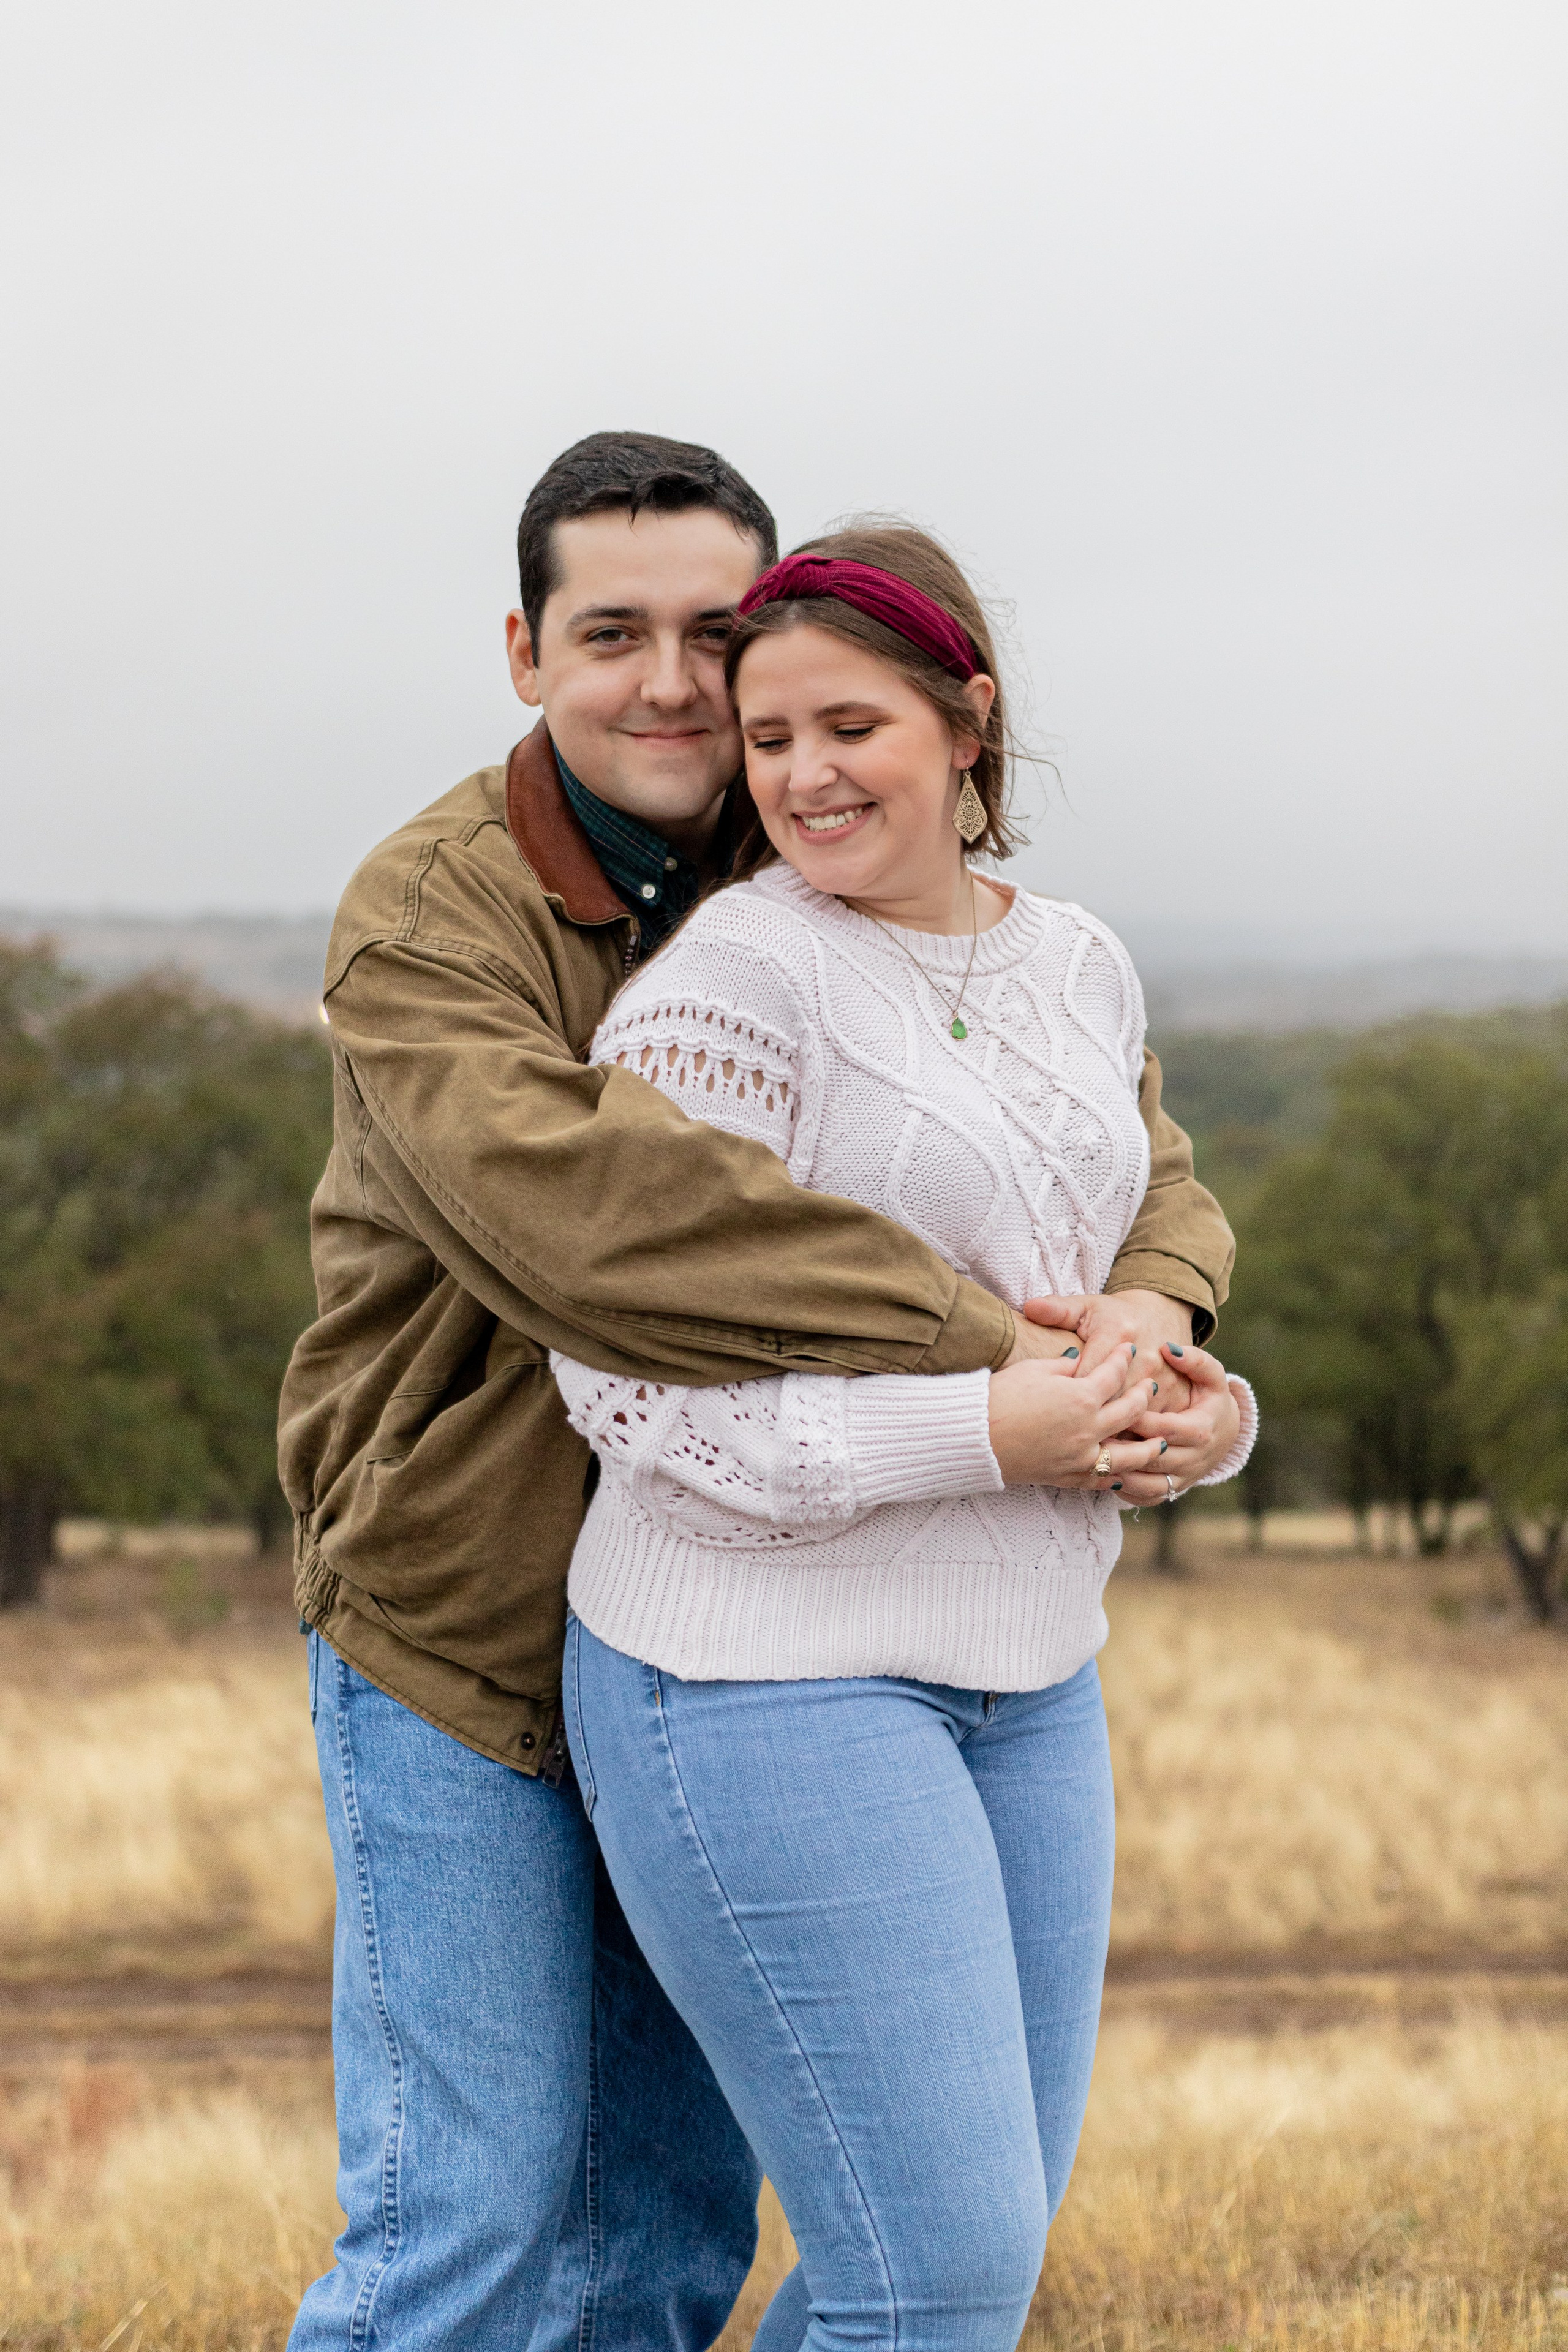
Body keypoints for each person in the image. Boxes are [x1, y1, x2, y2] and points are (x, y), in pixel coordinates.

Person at [279, 434, 1238, 2352]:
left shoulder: (806, 849)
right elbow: (610, 1234)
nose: (668, 682)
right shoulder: (432, 914)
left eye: (711, 634)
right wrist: (1006, 1355)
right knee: (467, 2222)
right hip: (463, 1618)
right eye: (607, 630)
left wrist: (1158, 1318)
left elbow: (1136, 1160)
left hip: (758, 1605)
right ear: (524, 649)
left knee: (659, 2239)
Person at [554, 525, 1256, 2352]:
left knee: (961, 2268)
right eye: (767, 739)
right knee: (932, 2275)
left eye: (847, 727)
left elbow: (1104, 1276)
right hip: (757, 1678)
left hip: (1035, 1679)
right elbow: (621, 1388)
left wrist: (1180, 1400)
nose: (801, 776)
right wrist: (988, 1435)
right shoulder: (733, 991)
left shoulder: (1083, 963)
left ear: (968, 723)